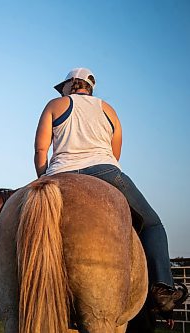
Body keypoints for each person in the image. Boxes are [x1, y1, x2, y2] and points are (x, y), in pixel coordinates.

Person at [33, 68, 188, 318]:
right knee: (151, 223)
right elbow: (115, 154)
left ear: (72, 83)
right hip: (105, 171)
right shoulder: (109, 110)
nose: (61, 89)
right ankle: (163, 290)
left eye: (63, 85)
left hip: (60, 173)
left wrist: (44, 181)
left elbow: (41, 151)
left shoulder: (55, 105)